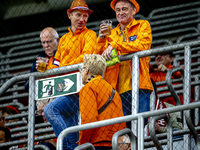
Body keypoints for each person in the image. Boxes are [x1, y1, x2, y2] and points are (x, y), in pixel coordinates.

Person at [44, 0, 96, 149]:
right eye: (78, 15)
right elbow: (56, 63)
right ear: (69, 14)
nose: (82, 19)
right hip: (64, 88)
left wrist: (64, 68)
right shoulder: (64, 39)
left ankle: (64, 144)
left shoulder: (91, 34)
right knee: (73, 138)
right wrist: (49, 70)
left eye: (85, 16)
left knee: (51, 110)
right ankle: (70, 146)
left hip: (80, 88)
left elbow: (86, 56)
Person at [95, 0, 153, 128]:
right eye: (118, 10)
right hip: (116, 90)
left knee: (140, 124)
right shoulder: (111, 33)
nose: (121, 12)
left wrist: (115, 45)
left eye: (124, 9)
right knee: (122, 129)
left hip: (140, 85)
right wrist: (101, 39)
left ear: (133, 10)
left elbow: (142, 45)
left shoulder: (143, 25)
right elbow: (98, 57)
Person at [78, 54, 126, 150]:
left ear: (87, 70)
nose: (81, 72)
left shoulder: (88, 88)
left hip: (98, 142)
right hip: (119, 141)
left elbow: (89, 121)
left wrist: (82, 143)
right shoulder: (112, 90)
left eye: (81, 69)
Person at [24, 27, 59, 91]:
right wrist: (37, 74)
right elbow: (27, 87)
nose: (46, 45)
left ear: (57, 40)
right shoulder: (40, 59)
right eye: (43, 42)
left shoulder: (64, 54)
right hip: (45, 94)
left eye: (49, 41)